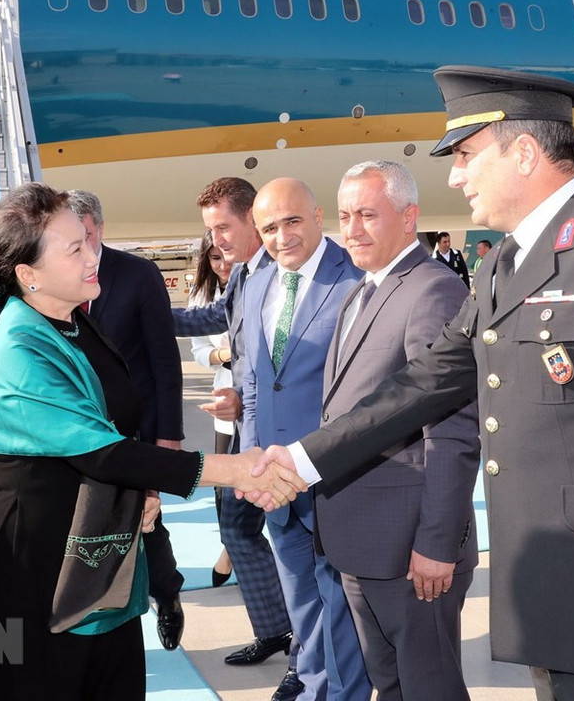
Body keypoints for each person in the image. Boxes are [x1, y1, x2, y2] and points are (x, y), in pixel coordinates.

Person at [255, 65, 574, 700]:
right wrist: (303, 460)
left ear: (525, 152)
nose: (455, 175)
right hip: (549, 586)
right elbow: (424, 384)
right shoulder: (504, 263)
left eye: (468, 156)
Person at [0, 182, 305, 701]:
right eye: (75, 249)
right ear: (28, 274)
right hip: (38, 575)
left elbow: (118, 433)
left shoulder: (71, 322)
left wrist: (141, 499)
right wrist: (237, 469)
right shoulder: (20, 346)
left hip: (100, 564)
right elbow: (102, 450)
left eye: (89, 242)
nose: (94, 257)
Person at [323, 160, 479, 700]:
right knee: (388, 687)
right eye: (345, 216)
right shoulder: (358, 292)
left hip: (412, 553)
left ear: (409, 217)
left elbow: (454, 432)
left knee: (429, 688)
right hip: (362, 543)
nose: (351, 230)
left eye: (367, 214)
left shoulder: (432, 290)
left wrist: (438, 544)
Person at [170, 178, 301, 701]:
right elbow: (212, 319)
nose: (216, 240)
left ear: (253, 219)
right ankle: (274, 629)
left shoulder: (284, 275)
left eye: (224, 227)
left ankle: (306, 658)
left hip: (280, 444)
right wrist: (140, 309)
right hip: (247, 433)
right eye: (211, 230)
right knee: (236, 527)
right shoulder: (245, 274)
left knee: (294, 549)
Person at [241, 178, 370, 700]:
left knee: (341, 611)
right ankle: (316, 688)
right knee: (305, 609)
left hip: (334, 479)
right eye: (269, 227)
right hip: (277, 486)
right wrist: (254, 463)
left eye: (292, 221)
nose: (281, 236)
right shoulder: (257, 283)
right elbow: (254, 383)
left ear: (319, 217)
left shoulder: (357, 279)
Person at [66, 189, 187, 651]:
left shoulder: (137, 275)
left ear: (101, 228)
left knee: (146, 520)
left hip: (132, 430)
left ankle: (167, 595)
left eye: (88, 237)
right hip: (74, 432)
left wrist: (168, 437)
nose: (82, 248)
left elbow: (164, 361)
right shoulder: (54, 278)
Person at [187, 230, 234, 587]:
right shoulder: (203, 294)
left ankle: (232, 552)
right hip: (224, 392)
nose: (222, 265)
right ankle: (230, 547)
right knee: (223, 484)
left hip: (261, 395)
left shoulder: (258, 280)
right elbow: (199, 351)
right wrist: (225, 355)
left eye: (225, 256)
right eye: (214, 258)